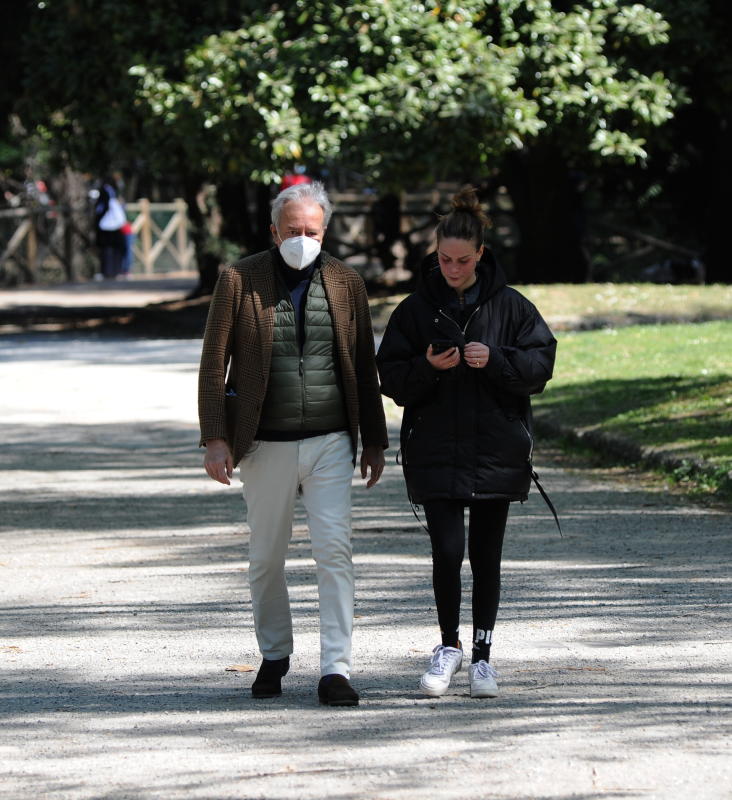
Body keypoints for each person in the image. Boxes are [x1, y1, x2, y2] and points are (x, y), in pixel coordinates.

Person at [198, 181, 388, 707]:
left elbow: (362, 363)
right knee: (266, 556)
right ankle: (276, 653)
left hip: (330, 440)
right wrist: (216, 438)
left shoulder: (347, 282)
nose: (301, 239)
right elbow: (214, 361)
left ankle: (336, 668)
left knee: (335, 552)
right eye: (292, 231)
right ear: (273, 231)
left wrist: (374, 439)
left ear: (324, 231)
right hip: (263, 443)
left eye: (311, 231)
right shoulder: (239, 278)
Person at [376, 186, 556, 699]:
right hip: (434, 450)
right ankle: (447, 647)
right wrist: (426, 369)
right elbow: (389, 376)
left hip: (496, 452)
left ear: (480, 254)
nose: (453, 269)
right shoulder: (414, 310)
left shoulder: (513, 307)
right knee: (447, 551)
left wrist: (495, 359)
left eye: (462, 260)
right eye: (444, 259)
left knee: (487, 555)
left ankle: (483, 657)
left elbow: (540, 366)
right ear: (436, 254)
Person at [93, 177, 127, 279]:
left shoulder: (105, 192)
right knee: (111, 249)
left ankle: (110, 271)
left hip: (106, 225)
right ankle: (112, 271)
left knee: (108, 248)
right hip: (112, 225)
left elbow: (101, 209)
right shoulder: (113, 192)